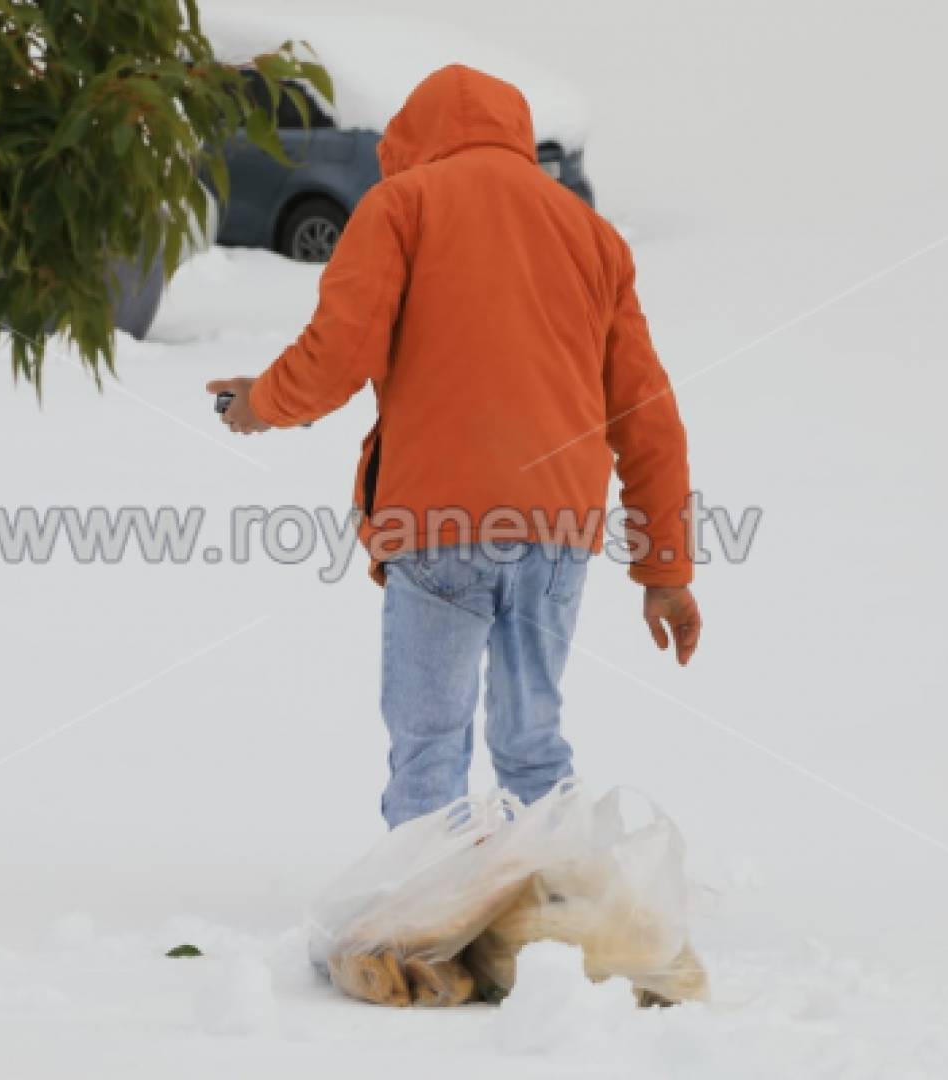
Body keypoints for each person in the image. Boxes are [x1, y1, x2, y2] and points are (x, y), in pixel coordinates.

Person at [209, 65, 698, 828]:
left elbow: (339, 353)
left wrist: (260, 405)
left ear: (413, 138)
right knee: (532, 741)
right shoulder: (590, 235)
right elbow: (647, 416)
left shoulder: (401, 203)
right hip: (556, 533)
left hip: (436, 525)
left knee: (429, 747)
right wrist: (664, 570)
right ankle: (560, 902)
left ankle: (425, 926)